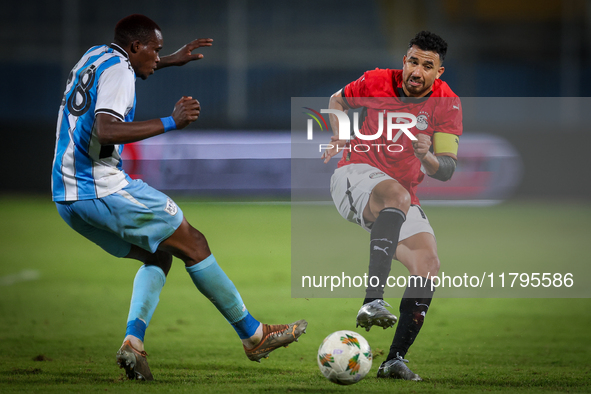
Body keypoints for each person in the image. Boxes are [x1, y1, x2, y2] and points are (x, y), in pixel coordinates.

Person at [51, 14, 307, 381]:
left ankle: (133, 344)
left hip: (66, 196)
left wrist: (170, 59)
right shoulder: (121, 72)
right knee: (194, 243)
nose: (157, 57)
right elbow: (106, 129)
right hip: (100, 186)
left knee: (159, 255)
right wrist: (172, 122)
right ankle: (253, 336)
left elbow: (121, 73)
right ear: (135, 47)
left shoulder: (96, 56)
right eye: (154, 50)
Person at [322, 31, 462, 381]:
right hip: (353, 175)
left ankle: (394, 360)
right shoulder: (376, 81)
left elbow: (446, 169)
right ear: (404, 61)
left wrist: (426, 156)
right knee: (397, 195)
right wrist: (340, 134)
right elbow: (336, 100)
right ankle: (372, 300)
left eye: (426, 66)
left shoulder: (448, 103)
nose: (416, 71)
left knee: (428, 264)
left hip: (400, 194)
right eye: (412, 61)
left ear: (439, 72)